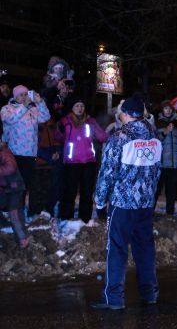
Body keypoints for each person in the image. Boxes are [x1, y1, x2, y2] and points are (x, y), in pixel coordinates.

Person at [91, 96, 162, 310]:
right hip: (145, 204)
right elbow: (157, 171)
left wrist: (100, 201)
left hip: (122, 204)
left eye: (121, 111)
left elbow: (107, 173)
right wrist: (149, 195)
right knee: (145, 249)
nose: (119, 114)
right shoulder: (155, 135)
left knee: (117, 249)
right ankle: (150, 294)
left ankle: (114, 299)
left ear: (128, 114)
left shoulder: (119, 137)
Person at [55, 99, 108, 223]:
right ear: (72, 108)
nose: (80, 108)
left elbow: (102, 136)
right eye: (77, 105)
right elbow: (58, 137)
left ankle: (85, 219)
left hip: (88, 161)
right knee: (69, 191)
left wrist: (112, 135)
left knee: (86, 192)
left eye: (82, 106)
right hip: (71, 162)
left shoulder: (91, 121)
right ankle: (66, 218)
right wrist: (59, 129)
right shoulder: (65, 121)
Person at [1, 85, 50, 215]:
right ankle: (8, 212)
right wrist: (24, 106)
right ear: (15, 96)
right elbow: (10, 119)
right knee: (12, 186)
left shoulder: (31, 109)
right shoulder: (7, 109)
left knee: (23, 186)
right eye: (21, 95)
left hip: (29, 154)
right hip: (13, 154)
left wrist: (39, 102)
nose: (24, 97)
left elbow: (45, 117)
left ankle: (20, 213)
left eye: (25, 94)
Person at [156, 100, 177, 215]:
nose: (168, 110)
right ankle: (150, 211)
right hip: (161, 163)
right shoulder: (158, 123)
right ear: (162, 110)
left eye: (169, 108)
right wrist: (165, 132)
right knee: (156, 190)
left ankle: (170, 212)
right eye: (165, 108)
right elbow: (155, 142)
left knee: (171, 190)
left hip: (174, 163)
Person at [0, 143, 31, 248]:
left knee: (15, 214)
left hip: (14, 188)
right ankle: (4, 225)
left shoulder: (4, 152)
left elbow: (11, 167)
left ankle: (23, 238)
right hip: (5, 189)